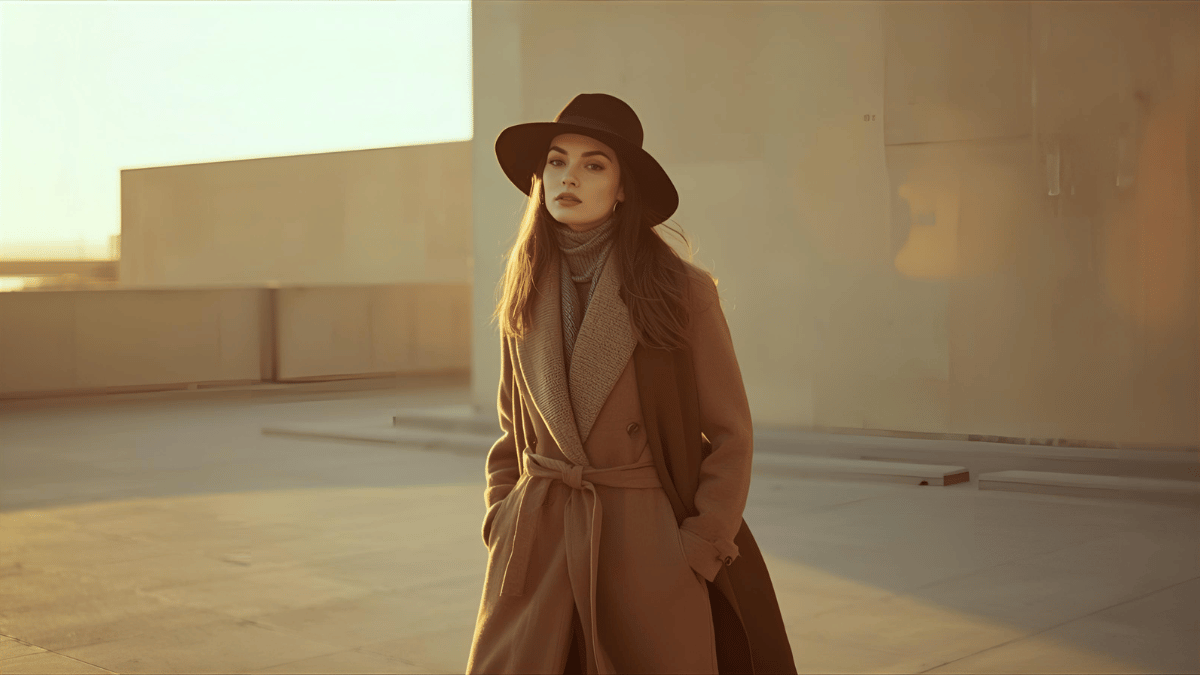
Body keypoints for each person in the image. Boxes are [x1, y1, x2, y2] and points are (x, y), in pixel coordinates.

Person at [466, 93, 795, 674]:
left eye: (594, 164)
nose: (569, 177)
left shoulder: (680, 289)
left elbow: (730, 432)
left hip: (643, 545)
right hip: (538, 540)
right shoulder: (524, 281)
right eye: (556, 161)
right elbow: (512, 427)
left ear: (622, 189)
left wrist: (699, 547)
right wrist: (502, 515)